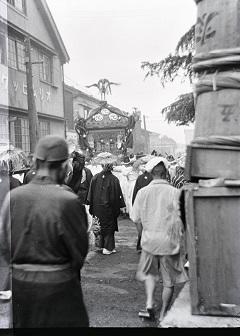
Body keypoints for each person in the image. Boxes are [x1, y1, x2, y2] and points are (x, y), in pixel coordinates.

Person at [0, 135, 89, 328]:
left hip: (21, 286)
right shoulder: (68, 200)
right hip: (59, 286)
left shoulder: (13, 197)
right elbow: (79, 253)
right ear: (64, 166)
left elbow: (4, 247)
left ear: (35, 162)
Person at [131, 157, 188, 326]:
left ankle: (149, 303)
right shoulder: (175, 192)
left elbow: (135, 218)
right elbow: (181, 221)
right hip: (169, 242)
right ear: (166, 173)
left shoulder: (142, 192)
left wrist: (142, 235)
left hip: (149, 240)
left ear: (150, 173)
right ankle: (163, 314)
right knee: (168, 282)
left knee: (150, 275)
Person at [87, 163, 126, 255]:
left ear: (101, 165)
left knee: (99, 225)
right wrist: (119, 206)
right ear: (111, 166)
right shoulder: (114, 179)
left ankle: (100, 245)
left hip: (97, 207)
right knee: (109, 227)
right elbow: (117, 196)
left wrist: (91, 204)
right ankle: (108, 247)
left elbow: (90, 194)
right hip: (110, 207)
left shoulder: (95, 177)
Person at [131, 168, 153, 253]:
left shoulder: (140, 178)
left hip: (141, 204)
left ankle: (141, 245)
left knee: (141, 224)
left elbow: (135, 192)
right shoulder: (153, 178)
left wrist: (134, 204)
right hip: (150, 204)